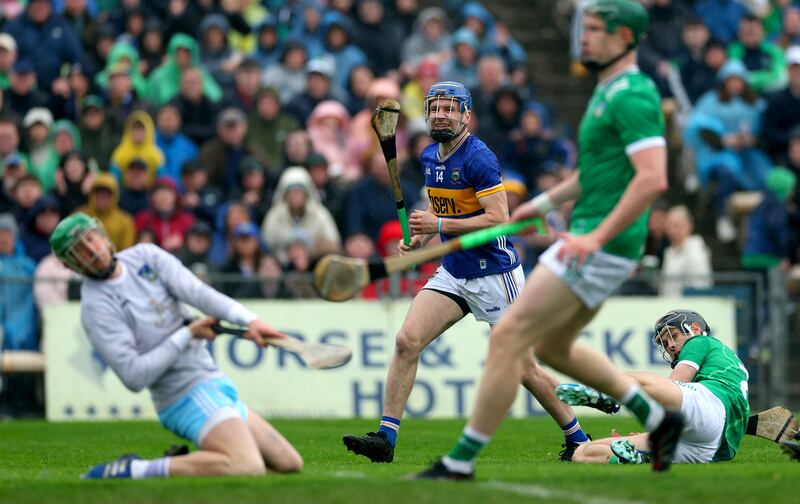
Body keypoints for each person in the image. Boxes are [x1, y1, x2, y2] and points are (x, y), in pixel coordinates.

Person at [415, 1, 682, 480]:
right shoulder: (606, 90)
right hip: (589, 235)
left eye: (597, 29)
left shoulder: (633, 95)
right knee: (554, 348)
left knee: (510, 341)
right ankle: (659, 418)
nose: (584, 36)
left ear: (625, 38)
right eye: (586, 26)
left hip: (601, 241)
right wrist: (541, 203)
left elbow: (653, 179)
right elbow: (594, 172)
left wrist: (595, 235)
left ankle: (459, 462)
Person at [342, 81, 599, 465]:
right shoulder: (430, 157)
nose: (440, 114)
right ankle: (386, 438)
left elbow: (499, 219)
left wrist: (438, 225)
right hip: (455, 271)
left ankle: (577, 437)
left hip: (494, 274)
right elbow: (441, 217)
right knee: (406, 341)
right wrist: (419, 243)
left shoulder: (479, 158)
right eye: (435, 108)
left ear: (465, 115)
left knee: (524, 367)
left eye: (449, 108)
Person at [49, 212, 303, 479]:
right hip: (183, 395)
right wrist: (188, 334)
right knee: (247, 466)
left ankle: (183, 462)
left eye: (91, 239)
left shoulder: (145, 256)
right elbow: (134, 376)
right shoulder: (95, 308)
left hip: (212, 380)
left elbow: (198, 293)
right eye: (79, 250)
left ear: (102, 235)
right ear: (70, 265)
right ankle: (135, 469)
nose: (92, 251)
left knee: (289, 462)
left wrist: (251, 320)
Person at [562, 309, 749, 465]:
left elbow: (676, 384)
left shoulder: (699, 341)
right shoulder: (724, 364)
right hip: (709, 448)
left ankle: (606, 394)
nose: (670, 346)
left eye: (673, 336)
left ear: (695, 328)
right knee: (582, 453)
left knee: (645, 380)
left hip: (710, 408)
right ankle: (638, 458)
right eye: (665, 343)